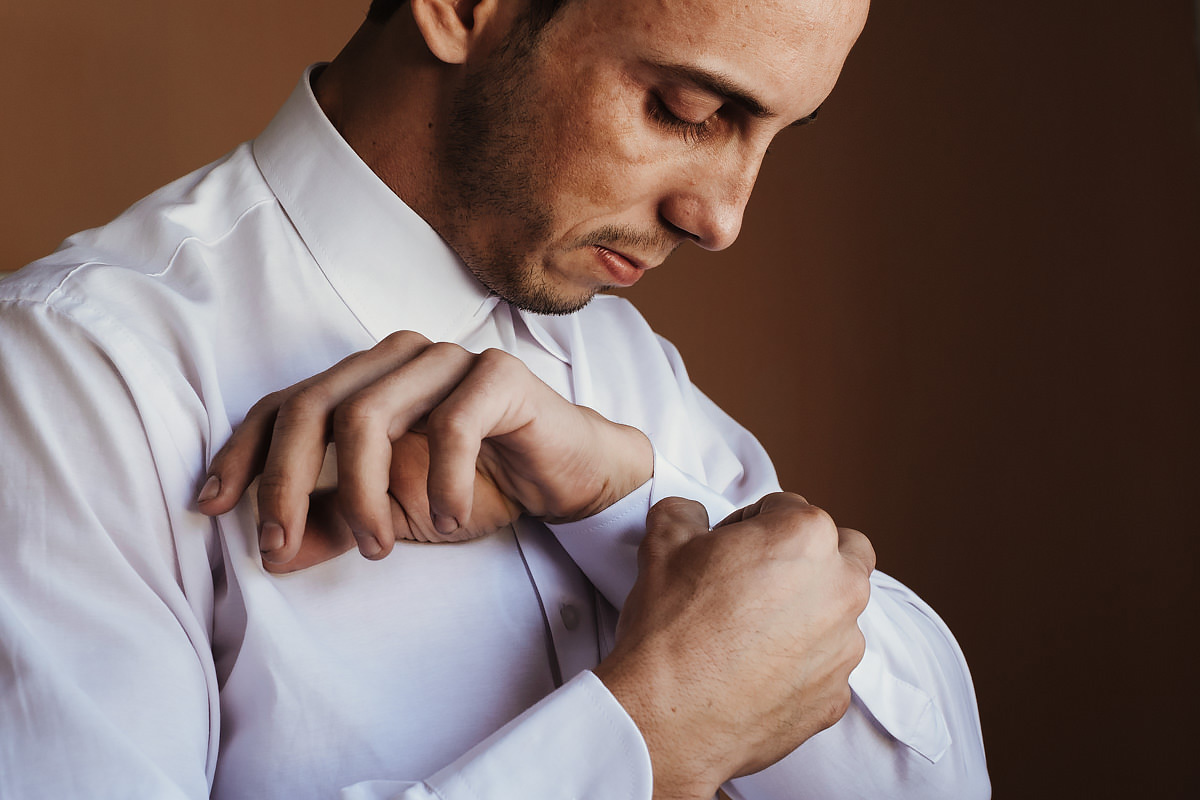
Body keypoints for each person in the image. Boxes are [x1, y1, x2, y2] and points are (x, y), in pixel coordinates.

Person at [0, 0, 990, 797]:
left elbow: (936, 779)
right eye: (684, 110)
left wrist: (623, 500)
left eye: (775, 136)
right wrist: (649, 738)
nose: (722, 218)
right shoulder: (76, 374)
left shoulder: (614, 359)